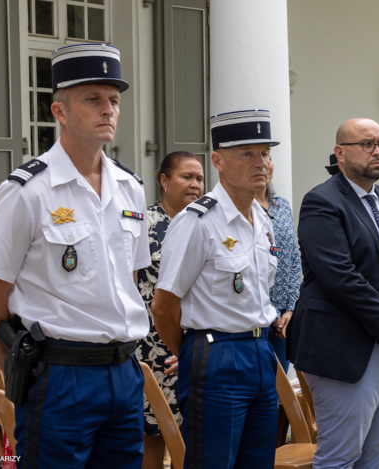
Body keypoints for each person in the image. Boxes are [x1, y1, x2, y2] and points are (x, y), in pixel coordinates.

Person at [0, 44, 150, 467]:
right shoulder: (26, 191)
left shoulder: (130, 188)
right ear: (59, 112)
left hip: (124, 373)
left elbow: (128, 281)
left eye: (114, 100)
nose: (108, 110)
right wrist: (24, 376)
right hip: (59, 375)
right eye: (93, 99)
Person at [288, 118, 379, 468]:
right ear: (340, 153)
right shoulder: (321, 202)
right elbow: (340, 278)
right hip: (346, 348)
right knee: (341, 457)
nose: (378, 152)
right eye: (367, 144)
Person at [152, 110, 281, 468]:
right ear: (218, 161)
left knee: (258, 461)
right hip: (218, 352)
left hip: (261, 349)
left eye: (265, 153)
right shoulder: (197, 221)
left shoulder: (262, 220)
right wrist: (193, 351)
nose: (261, 163)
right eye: (247, 154)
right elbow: (164, 306)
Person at [136, 151, 204, 468]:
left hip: (195, 346)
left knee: (192, 439)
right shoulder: (143, 224)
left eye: (199, 178)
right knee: (152, 433)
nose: (195, 184)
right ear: (164, 180)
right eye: (186, 177)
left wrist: (188, 349)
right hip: (151, 348)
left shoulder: (203, 223)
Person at [255, 155, 302, 373]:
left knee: (278, 386)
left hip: (282, 322)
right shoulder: (240, 209)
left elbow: (294, 259)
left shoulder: (281, 205)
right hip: (253, 320)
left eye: (269, 157)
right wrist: (272, 315)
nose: (264, 164)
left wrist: (290, 308)